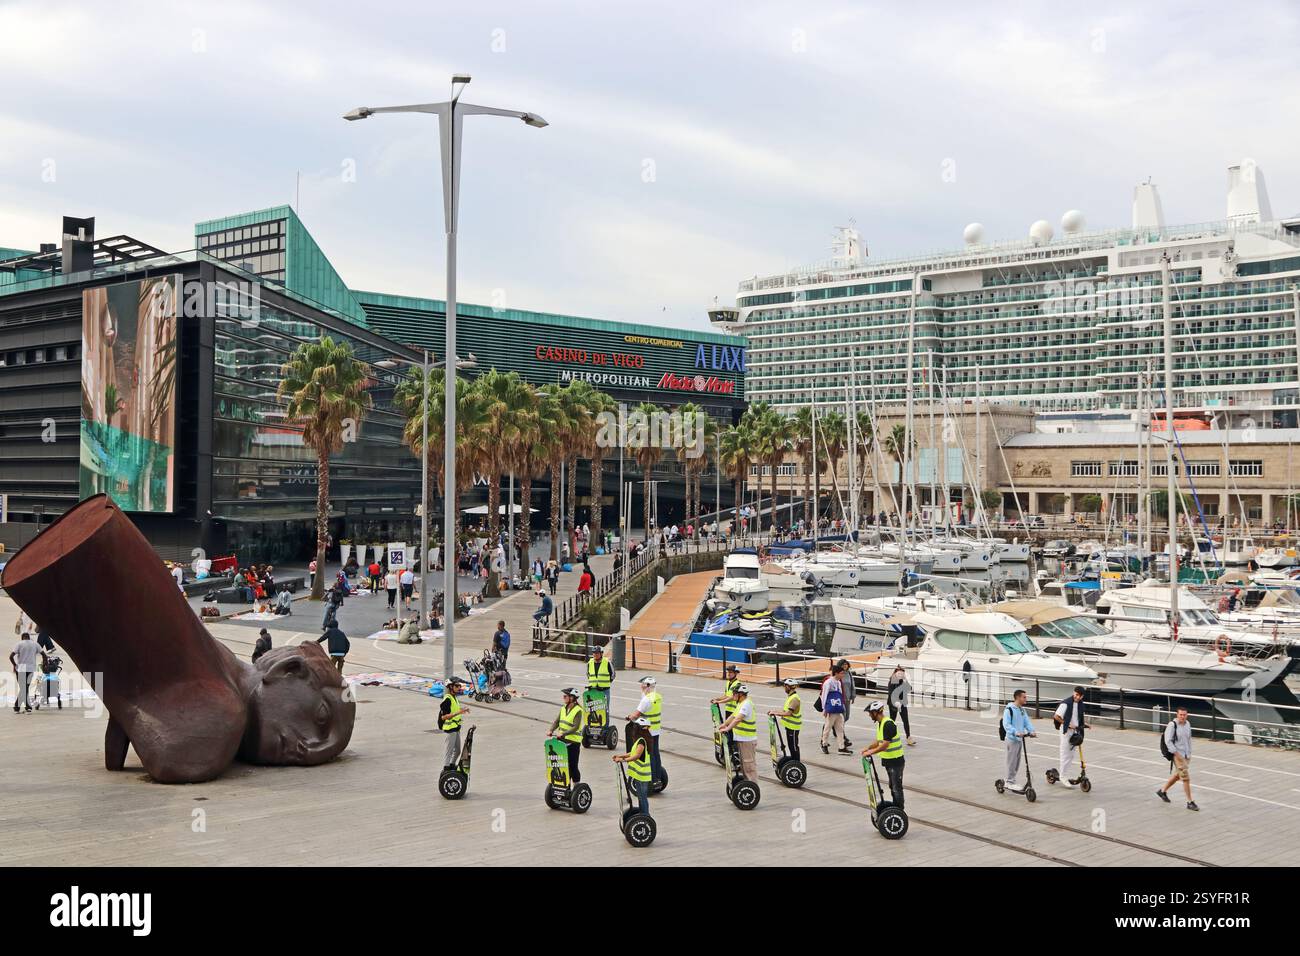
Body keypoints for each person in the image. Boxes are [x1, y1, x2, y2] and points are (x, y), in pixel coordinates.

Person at [861, 700, 906, 808]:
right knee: (892, 786)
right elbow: (879, 741)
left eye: (870, 713)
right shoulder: (881, 724)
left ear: (876, 712)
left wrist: (871, 752)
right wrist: (868, 748)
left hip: (896, 761)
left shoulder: (888, 724)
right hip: (889, 761)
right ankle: (895, 808)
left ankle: (899, 810)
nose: (869, 715)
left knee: (896, 787)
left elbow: (885, 745)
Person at [1157, 705, 1198, 810]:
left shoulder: (1187, 724)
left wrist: (1189, 753)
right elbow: (1168, 741)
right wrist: (1177, 755)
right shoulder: (1172, 725)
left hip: (1186, 755)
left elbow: (1188, 739)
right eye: (1181, 715)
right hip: (1177, 755)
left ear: (1187, 715)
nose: (1182, 717)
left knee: (1178, 775)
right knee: (1186, 778)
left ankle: (1162, 791)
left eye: (1184, 715)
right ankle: (1190, 802)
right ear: (1177, 714)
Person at [627, 676, 663, 789]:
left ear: (647, 686)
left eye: (642, 686)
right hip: (656, 730)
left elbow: (636, 714)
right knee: (656, 754)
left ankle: (652, 779)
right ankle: (658, 778)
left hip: (647, 731)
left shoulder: (646, 700)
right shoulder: (658, 697)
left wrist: (630, 717)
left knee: (650, 755)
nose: (641, 688)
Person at [716, 683, 758, 781]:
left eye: (735, 693)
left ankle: (752, 785)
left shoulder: (747, 704)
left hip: (747, 739)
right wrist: (724, 724)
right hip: (741, 738)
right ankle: (746, 784)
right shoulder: (740, 703)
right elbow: (733, 716)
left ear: (741, 694)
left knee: (749, 765)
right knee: (743, 765)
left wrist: (727, 728)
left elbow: (738, 719)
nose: (733, 695)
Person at [613, 717, 653, 817]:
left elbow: (637, 756)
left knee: (642, 797)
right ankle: (643, 815)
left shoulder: (641, 741)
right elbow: (632, 753)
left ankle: (645, 816)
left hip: (642, 775)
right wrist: (620, 756)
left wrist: (622, 760)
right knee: (641, 797)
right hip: (639, 775)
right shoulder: (640, 740)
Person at [1053, 686, 1091, 788]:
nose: (1077, 697)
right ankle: (1062, 776)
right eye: (1076, 694)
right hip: (1066, 731)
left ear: (1082, 696)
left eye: (1080, 696)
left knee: (1071, 755)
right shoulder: (1066, 703)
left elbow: (1077, 718)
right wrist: (1067, 724)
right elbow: (1056, 716)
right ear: (1074, 693)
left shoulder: (1080, 704)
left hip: (1075, 731)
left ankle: (1064, 773)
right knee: (1065, 753)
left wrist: (1084, 724)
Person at [1001, 689, 1036, 794]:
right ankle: (1009, 782)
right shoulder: (1009, 709)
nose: (1026, 699)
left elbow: (1026, 722)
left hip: (1020, 739)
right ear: (1018, 697)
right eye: (1024, 697)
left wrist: (1031, 731)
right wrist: (1015, 732)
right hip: (1012, 739)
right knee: (1011, 761)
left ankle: (1011, 780)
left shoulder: (1022, 710)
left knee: (1017, 762)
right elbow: (1006, 724)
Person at [549, 687, 586, 783]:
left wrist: (563, 733)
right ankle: (565, 784)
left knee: (573, 765)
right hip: (562, 740)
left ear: (572, 698)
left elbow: (576, 727)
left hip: (573, 742)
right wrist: (551, 730)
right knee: (562, 764)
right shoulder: (563, 708)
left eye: (565, 696)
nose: (563, 697)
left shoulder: (578, 710)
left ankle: (577, 785)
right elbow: (557, 721)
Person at [9, 631, 46, 714]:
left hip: (21, 669)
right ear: (29, 637)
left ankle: (24, 708)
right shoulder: (35, 644)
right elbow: (44, 655)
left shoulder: (19, 644)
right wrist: (44, 665)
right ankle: (18, 707)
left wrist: (15, 665)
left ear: (22, 638)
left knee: (23, 688)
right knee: (25, 688)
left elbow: (11, 656)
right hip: (30, 669)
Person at [819, 662, 851, 755]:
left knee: (840, 728)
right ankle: (824, 744)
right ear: (836, 673)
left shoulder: (838, 682)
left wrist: (842, 706)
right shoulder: (828, 682)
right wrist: (824, 708)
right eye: (841, 673)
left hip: (838, 708)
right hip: (830, 708)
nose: (842, 675)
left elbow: (840, 695)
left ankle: (841, 747)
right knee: (828, 727)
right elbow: (824, 695)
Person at [769, 676, 802, 760]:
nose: (784, 688)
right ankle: (793, 762)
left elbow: (788, 713)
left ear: (789, 686)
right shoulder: (790, 697)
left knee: (793, 747)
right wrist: (774, 711)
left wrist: (775, 713)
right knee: (791, 747)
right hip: (789, 727)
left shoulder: (794, 699)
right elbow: (785, 711)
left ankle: (796, 763)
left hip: (793, 727)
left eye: (785, 686)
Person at [439, 677, 469, 769]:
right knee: (449, 751)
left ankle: (452, 765)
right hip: (450, 729)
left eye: (459, 686)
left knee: (458, 751)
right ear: (450, 687)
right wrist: (458, 712)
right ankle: (446, 767)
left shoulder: (454, 698)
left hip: (456, 727)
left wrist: (462, 710)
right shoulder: (447, 699)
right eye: (456, 686)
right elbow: (443, 717)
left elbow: (454, 710)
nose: (459, 687)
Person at [886, 664, 916, 746]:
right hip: (893, 703)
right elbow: (891, 694)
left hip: (902, 703)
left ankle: (908, 737)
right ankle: (888, 737)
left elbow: (910, 689)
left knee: (905, 720)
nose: (901, 675)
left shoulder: (902, 681)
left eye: (902, 673)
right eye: (899, 673)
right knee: (892, 720)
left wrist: (906, 681)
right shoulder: (892, 681)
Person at [586, 644, 614, 713]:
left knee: (605, 710)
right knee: (594, 710)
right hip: (593, 690)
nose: (595, 654)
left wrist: (606, 683)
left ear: (601, 653)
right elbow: (588, 674)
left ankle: (606, 721)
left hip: (604, 690)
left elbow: (613, 675)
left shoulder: (607, 662)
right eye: (594, 653)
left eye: (597, 653)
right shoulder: (589, 663)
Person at [838, 658, 857, 747]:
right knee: (842, 717)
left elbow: (852, 685)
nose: (845, 666)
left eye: (846, 664)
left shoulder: (849, 673)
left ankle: (836, 728)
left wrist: (853, 696)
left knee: (847, 717)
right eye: (843, 664)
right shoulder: (839, 674)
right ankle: (842, 735)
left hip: (847, 699)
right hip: (840, 699)